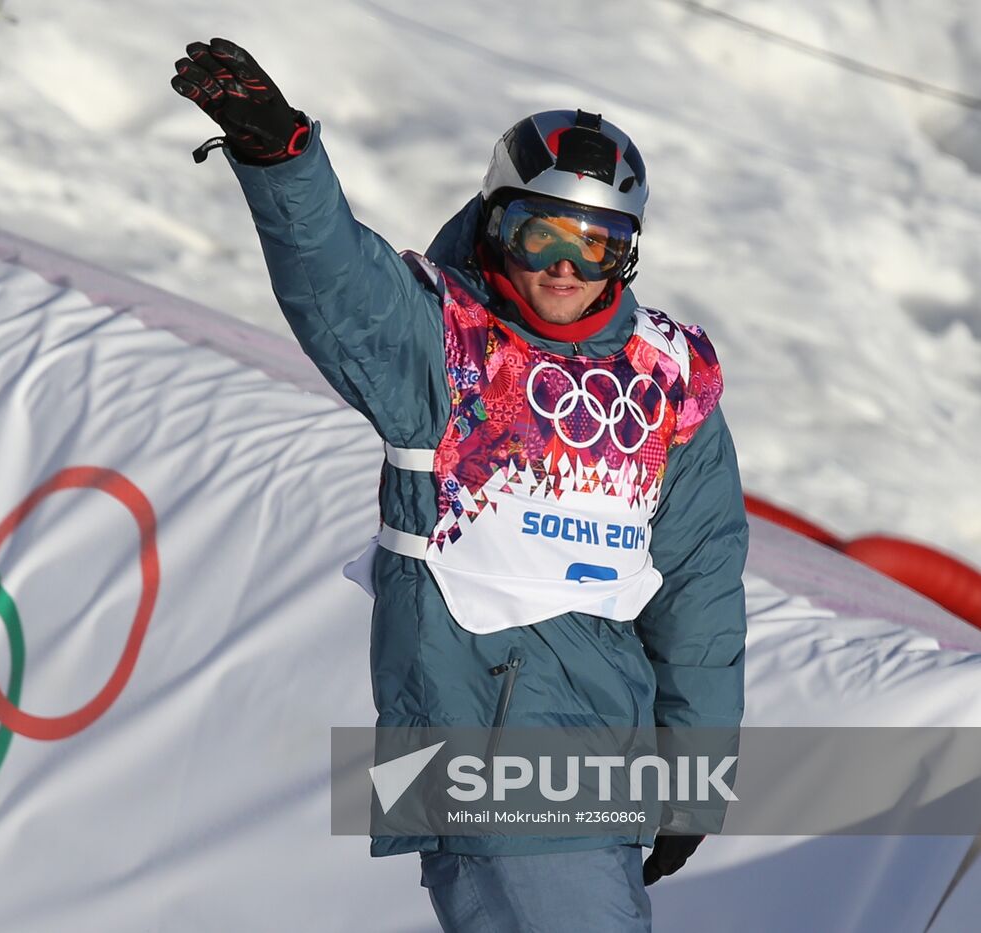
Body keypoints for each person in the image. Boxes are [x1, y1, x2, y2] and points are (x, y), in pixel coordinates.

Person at [172, 38, 747, 932]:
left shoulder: (667, 373)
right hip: (475, 738)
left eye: (597, 244)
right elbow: (338, 283)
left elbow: (700, 577)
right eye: (539, 231)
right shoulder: (441, 342)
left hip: (603, 751)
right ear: (494, 223)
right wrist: (279, 160)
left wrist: (693, 773)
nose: (565, 265)